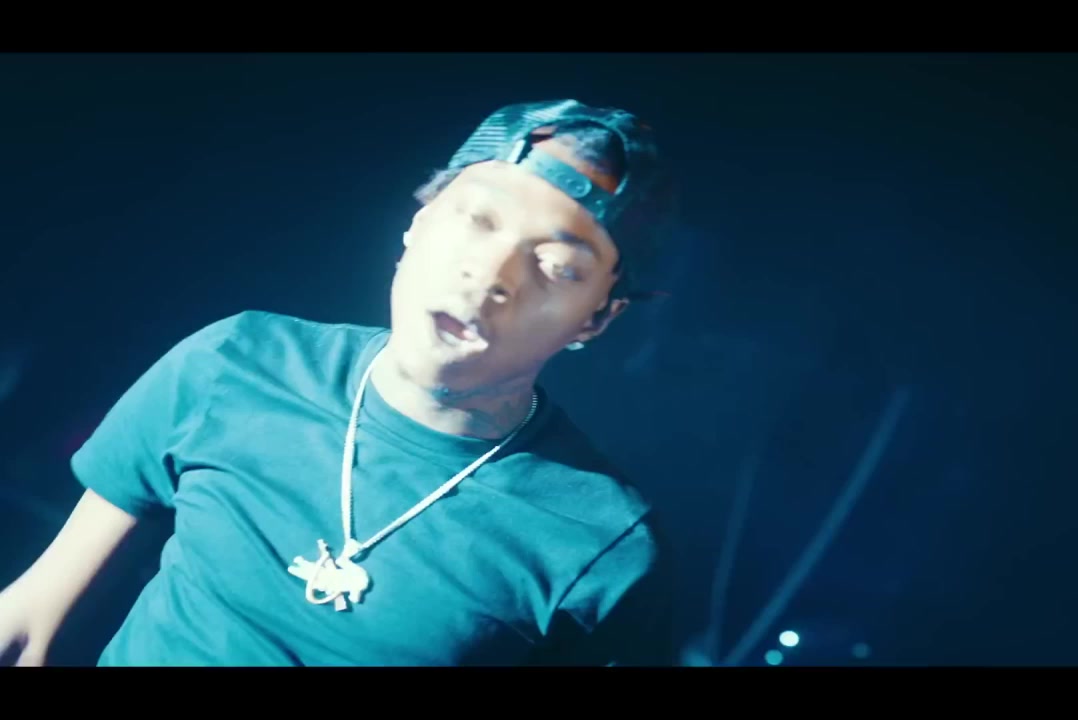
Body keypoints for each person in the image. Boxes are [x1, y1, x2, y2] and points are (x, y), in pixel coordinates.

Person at [0, 99, 679, 666]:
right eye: (477, 220)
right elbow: (32, 619)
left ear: (597, 317)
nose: (492, 275)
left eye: (556, 266)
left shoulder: (602, 547)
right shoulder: (236, 363)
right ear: (420, 222)